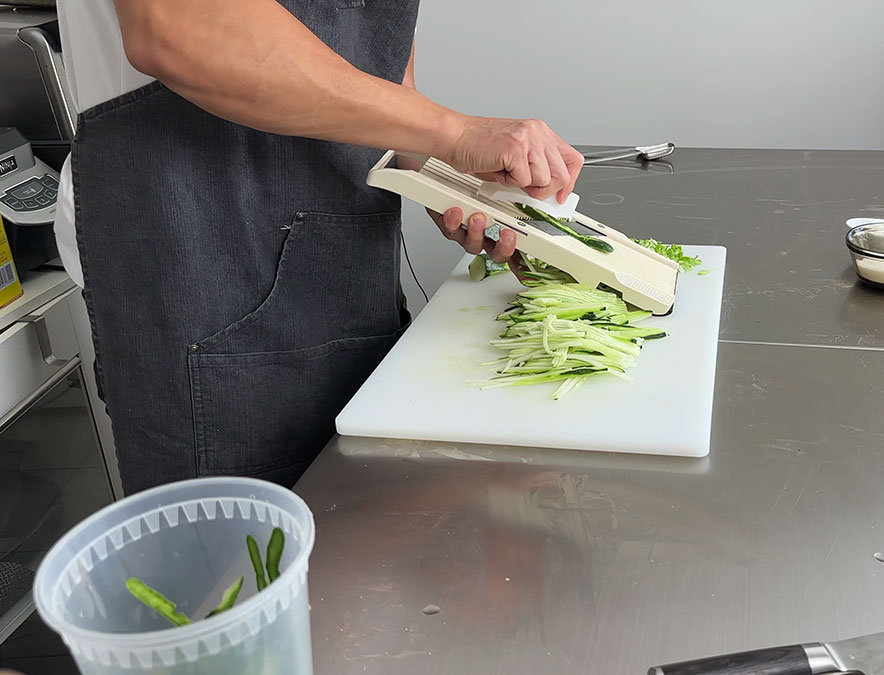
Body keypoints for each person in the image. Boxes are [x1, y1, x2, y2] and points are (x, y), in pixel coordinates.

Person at [52, 0, 583, 493]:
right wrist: (453, 132)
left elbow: (375, 45)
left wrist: (434, 171)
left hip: (343, 257)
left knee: (361, 538)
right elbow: (176, 24)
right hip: (195, 258)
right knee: (232, 575)